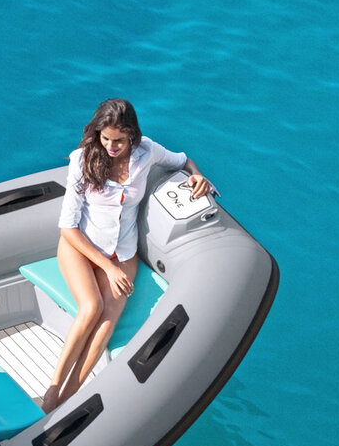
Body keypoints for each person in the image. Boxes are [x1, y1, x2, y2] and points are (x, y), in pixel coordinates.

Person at [42, 98, 215, 412]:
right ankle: (51, 394)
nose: (110, 146)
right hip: (81, 247)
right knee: (91, 308)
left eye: (118, 141)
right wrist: (107, 268)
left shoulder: (147, 151)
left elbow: (183, 160)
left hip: (122, 252)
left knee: (107, 320)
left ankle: (68, 398)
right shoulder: (82, 160)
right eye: (105, 138)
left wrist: (197, 174)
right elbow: (68, 227)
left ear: (132, 135)